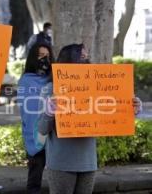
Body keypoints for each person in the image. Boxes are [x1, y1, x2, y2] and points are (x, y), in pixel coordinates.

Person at [38, 44, 143, 194]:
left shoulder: (96, 87)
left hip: (88, 162)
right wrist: (49, 112)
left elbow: (111, 112)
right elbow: (42, 129)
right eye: (82, 57)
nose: (86, 61)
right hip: (61, 163)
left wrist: (131, 108)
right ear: (68, 60)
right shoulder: (50, 88)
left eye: (87, 58)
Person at [17, 43, 54, 194]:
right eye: (40, 56)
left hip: (54, 134)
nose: (45, 59)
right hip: (34, 134)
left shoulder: (55, 79)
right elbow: (28, 109)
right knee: (34, 178)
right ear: (33, 58)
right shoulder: (26, 80)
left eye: (48, 56)